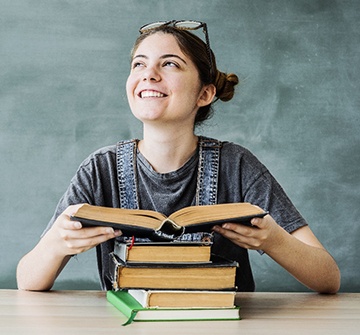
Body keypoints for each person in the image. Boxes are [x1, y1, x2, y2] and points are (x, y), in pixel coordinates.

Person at [17, 20, 340, 293]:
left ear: (205, 93)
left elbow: (328, 277)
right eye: (139, 63)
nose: (149, 74)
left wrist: (275, 241)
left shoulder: (237, 166)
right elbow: (27, 280)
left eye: (169, 63)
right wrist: (55, 245)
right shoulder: (101, 169)